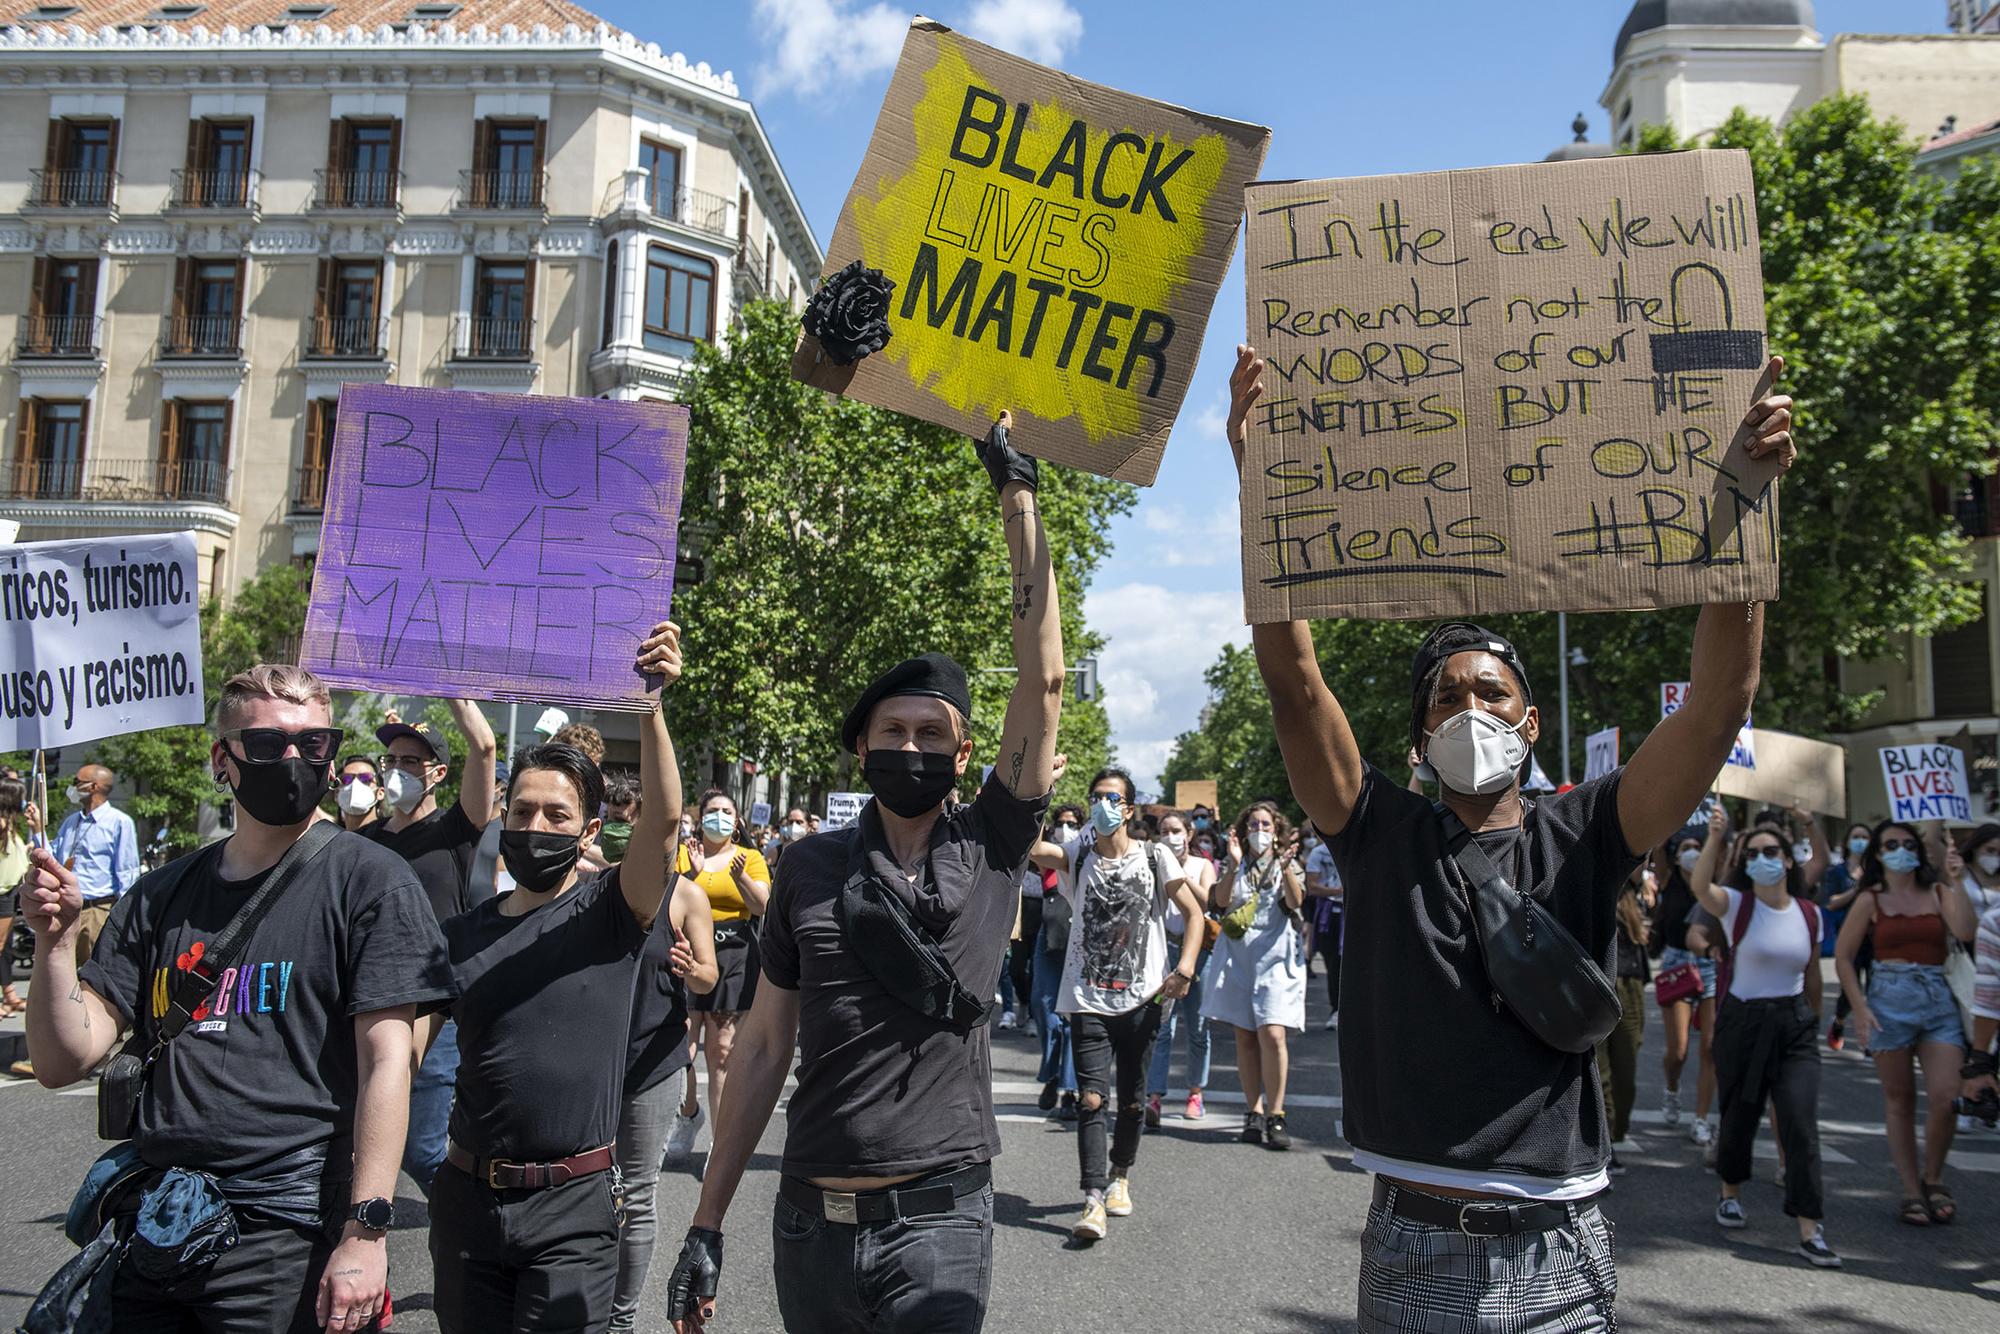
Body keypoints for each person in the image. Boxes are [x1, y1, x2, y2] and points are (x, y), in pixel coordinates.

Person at [1223, 342, 1797, 1329]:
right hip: (1413, 1250)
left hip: (1560, 1254)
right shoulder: (1374, 830)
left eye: (1489, 694)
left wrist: (1744, 503)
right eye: (1444, 699)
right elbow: (1295, 682)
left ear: (1531, 723)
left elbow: (1716, 708)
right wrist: (1261, 490)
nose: (1467, 709)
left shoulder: (1591, 828)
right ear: (1417, 740)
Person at [665, 414, 1060, 1333]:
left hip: (941, 1222)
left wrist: (1019, 500)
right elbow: (764, 1047)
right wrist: (707, 1221)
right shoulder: (806, 866)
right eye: (893, 732)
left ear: (966, 756)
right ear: (861, 750)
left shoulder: (994, 841)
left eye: (932, 735)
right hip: (810, 1225)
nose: (911, 748)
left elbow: (1042, 683)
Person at [22, 663, 454, 1333]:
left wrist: (366, 1231)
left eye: (314, 743)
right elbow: (62, 1060)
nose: (293, 759)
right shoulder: (159, 896)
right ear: (222, 760)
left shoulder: (371, 882)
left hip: (288, 1233)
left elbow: (388, 1065)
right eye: (267, 743)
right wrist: (53, 943)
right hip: (160, 1220)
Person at [419, 622, 685, 1333]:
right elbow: (397, 1057)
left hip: (574, 1213)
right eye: (523, 810)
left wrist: (651, 709)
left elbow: (663, 824)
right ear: (503, 817)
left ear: (590, 832)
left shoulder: (613, 911)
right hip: (468, 1204)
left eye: (557, 814)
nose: (536, 824)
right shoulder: (463, 935)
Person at [1028, 769, 1203, 1239]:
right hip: (1087, 998)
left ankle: (1119, 1175)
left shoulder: (1155, 856)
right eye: (1096, 797)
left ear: (1128, 809)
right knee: (1091, 1099)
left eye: (1112, 798)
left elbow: (1194, 914)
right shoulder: (1077, 854)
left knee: (1131, 1101)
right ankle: (1092, 1199)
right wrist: (1039, 789)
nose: (1102, 805)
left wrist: (1185, 968)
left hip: (1142, 999)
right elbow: (1030, 846)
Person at [1688, 809, 1840, 1265]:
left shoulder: (1809, 913)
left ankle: (1810, 1226)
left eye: (1770, 851)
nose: (1761, 859)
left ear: (1788, 860)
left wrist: (1818, 1020)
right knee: (1740, 1113)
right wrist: (1715, 837)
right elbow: (1701, 887)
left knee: (1800, 1123)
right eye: (1752, 854)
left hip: (1794, 1026)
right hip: (1744, 1023)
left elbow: (1812, 974)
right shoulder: (1737, 905)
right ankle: (1730, 1191)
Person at [360, 701, 497, 1199]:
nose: (397, 769)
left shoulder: (454, 831)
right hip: (370, 1002)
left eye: (411, 761)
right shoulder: (366, 840)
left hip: (433, 1009)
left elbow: (485, 747)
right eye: (391, 760)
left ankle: (470, 1226)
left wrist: (454, 689)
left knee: (421, 1148)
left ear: (437, 773)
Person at [1834, 821, 1979, 1227]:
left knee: (1946, 1095)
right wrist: (1860, 1008)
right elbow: (1844, 956)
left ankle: (1934, 1178)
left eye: (1908, 844)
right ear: (1878, 855)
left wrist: (1958, 881)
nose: (1901, 850)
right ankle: (1912, 1190)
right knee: (1900, 1100)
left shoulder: (1939, 891)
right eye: (1891, 844)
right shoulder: (1870, 899)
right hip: (1888, 999)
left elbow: (1965, 930)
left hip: (1938, 999)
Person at [612, 848, 720, 1333]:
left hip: (653, 1065)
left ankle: (619, 1321)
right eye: (616, 815)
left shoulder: (686, 895)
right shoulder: (596, 886)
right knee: (586, 1191)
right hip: (593, 1063)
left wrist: (690, 966)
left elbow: (708, 977)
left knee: (635, 1194)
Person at [663, 787, 771, 1166]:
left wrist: (741, 879)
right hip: (688, 952)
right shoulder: (682, 855)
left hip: (735, 956)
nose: (719, 817)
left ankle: (720, 1143)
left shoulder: (750, 858)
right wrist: (691, 875)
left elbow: (763, 905)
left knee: (722, 1050)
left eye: (727, 812)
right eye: (712, 811)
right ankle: (689, 1112)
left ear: (737, 822)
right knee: (683, 1049)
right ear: (701, 817)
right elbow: (665, 899)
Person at [1205, 800, 1309, 1150]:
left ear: (1276, 830)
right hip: (1239, 958)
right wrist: (1233, 865)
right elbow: (1220, 902)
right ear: (1243, 830)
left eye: (1266, 825)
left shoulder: (1287, 862)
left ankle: (1276, 1113)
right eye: (1253, 825)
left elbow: (1295, 902)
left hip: (1277, 958)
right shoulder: (1232, 861)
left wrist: (1286, 869)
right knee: (1245, 1036)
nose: (1259, 831)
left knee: (1274, 1033)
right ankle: (1253, 1111)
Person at [1146, 808, 1215, 1124]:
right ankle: (1154, 1096)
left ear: (1189, 834)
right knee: (1162, 1027)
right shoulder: (1154, 864)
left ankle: (1195, 1092)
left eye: (1176, 831)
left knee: (1198, 1027)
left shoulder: (1202, 865)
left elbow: (1206, 902)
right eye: (1164, 832)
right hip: (1164, 950)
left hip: (1198, 953)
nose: (1170, 837)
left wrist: (1179, 873)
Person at [1653, 826, 1720, 1145]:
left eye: (1698, 847)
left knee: (1710, 1047)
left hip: (1710, 964)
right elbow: (1658, 846)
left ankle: (1701, 1119)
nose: (1692, 852)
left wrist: (1717, 832)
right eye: (1686, 848)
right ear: (1676, 857)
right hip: (1678, 965)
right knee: (1678, 1050)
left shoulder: (1712, 886)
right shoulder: (1668, 880)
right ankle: (1672, 1088)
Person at [1600, 864, 1653, 1175]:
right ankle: (1604, 1142)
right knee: (1599, 1072)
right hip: (1593, 982)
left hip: (1629, 982)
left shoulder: (1635, 895)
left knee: (1626, 1070)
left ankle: (1615, 1134)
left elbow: (1640, 856)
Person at [1034, 804, 1085, 1121]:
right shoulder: (1050, 857)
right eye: (1061, 823)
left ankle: (1069, 1089)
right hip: (1049, 938)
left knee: (1071, 1017)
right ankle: (1052, 1073)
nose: (1066, 828)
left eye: (1073, 823)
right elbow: (1031, 845)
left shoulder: (1085, 857)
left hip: (1080, 939)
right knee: (1044, 1008)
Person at [1820, 820, 1873, 1048]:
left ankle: (1873, 1038)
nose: (1860, 842)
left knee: (1875, 988)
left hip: (1874, 938)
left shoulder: (1876, 871)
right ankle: (1840, 1021)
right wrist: (1856, 889)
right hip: (1848, 937)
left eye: (1865, 837)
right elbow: (1831, 902)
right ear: (1848, 842)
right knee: (1850, 990)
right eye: (1856, 837)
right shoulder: (1837, 872)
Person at [1304, 821, 1344, 1031]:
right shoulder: (1318, 854)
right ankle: (1336, 1009)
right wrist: (1337, 891)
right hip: (1329, 915)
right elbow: (1312, 887)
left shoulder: (1354, 848)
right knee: (1333, 963)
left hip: (1353, 912)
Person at [0, 776, 29, 1018]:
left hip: (8, 891)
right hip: (2, 892)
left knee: (4, 947)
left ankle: (9, 996)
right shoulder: (1, 825)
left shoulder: (9, 826)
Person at [335, 755, 383, 832]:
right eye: (346, 779)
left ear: (380, 793)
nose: (355, 784)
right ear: (337, 794)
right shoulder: (329, 837)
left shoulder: (391, 837)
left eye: (366, 778)